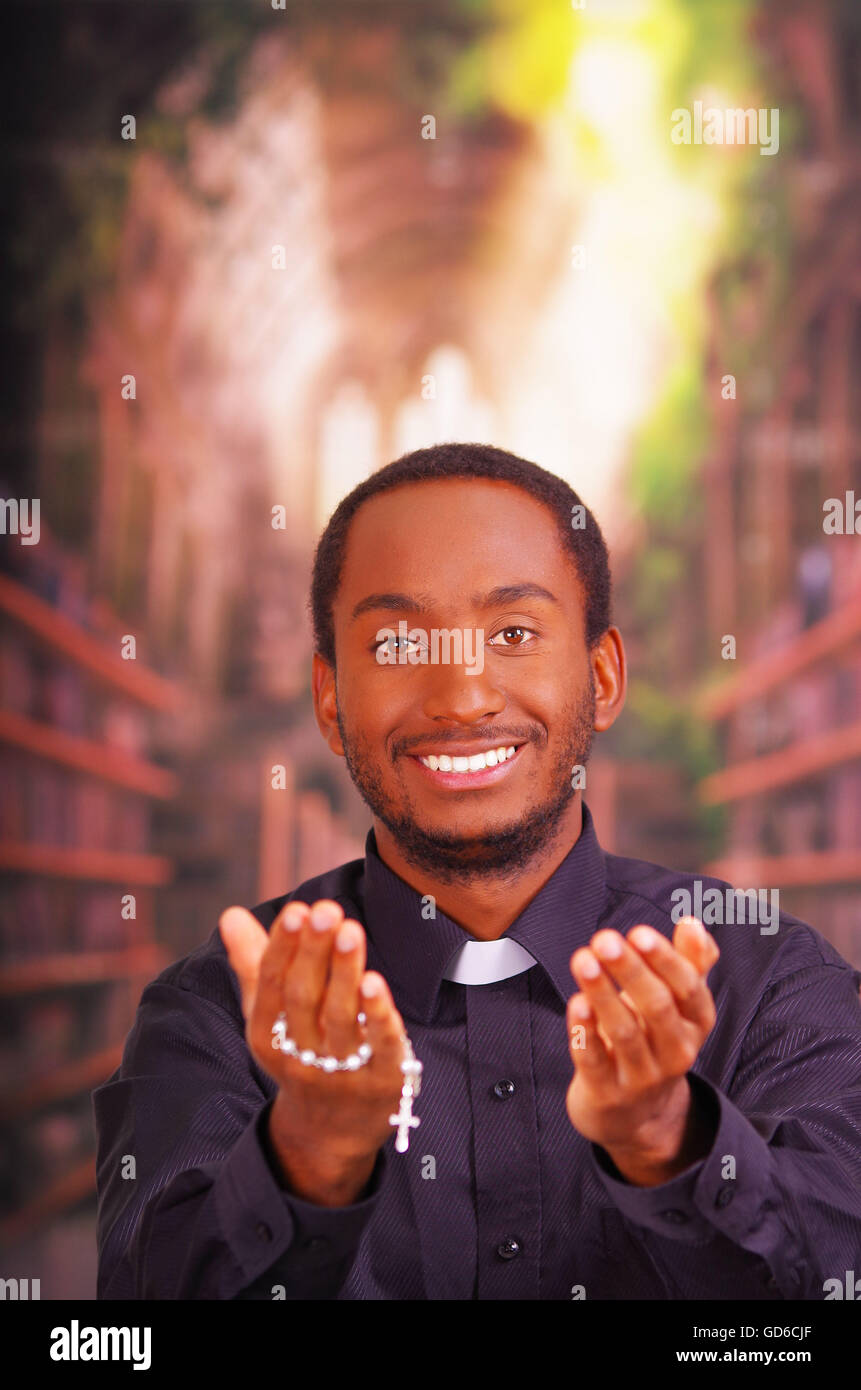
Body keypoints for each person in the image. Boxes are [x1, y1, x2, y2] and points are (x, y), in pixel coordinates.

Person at [93, 443, 861, 1299]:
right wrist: (310, 1153)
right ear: (329, 699)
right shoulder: (211, 1015)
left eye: (513, 633)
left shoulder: (773, 984)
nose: (461, 697)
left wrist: (666, 1139)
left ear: (602, 677)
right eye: (394, 641)